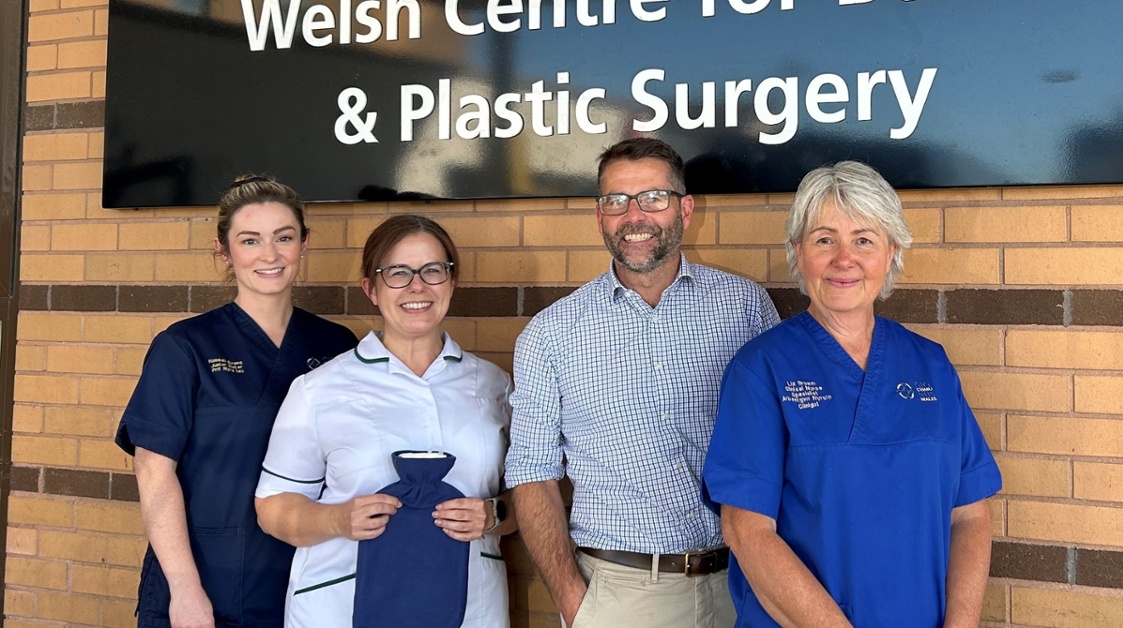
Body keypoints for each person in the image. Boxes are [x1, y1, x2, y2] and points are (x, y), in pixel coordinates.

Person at [704, 161, 1002, 628]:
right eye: (825, 239)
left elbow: (969, 515)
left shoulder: (932, 365)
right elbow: (747, 531)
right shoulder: (761, 368)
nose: (845, 259)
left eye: (864, 239)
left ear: (891, 253)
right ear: (798, 253)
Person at [506, 138, 780, 628]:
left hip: (745, 583)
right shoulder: (551, 334)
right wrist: (575, 602)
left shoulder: (745, 309)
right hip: (619, 595)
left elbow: (782, 443)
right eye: (616, 200)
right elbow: (531, 472)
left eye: (653, 197)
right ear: (599, 215)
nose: (634, 216)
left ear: (685, 208)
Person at [115, 175, 360, 628]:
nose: (270, 255)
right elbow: (153, 472)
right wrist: (186, 590)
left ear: (304, 244)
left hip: (308, 573)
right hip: (206, 577)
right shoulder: (185, 346)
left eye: (284, 238)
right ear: (224, 251)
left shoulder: (337, 344)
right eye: (251, 241)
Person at [253, 215, 516, 628]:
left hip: (471, 608)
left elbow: (529, 502)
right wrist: (336, 519)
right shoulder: (317, 389)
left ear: (452, 282)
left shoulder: (495, 386)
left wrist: (494, 516)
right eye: (397, 273)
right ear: (370, 289)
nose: (417, 287)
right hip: (340, 607)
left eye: (433, 270)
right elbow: (272, 507)